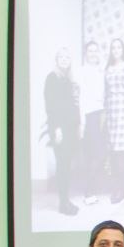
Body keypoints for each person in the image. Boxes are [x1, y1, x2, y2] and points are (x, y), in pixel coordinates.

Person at [43, 48, 80, 215]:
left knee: (67, 164)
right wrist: (56, 128)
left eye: (67, 57)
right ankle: (63, 203)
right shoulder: (52, 78)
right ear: (56, 60)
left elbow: (72, 104)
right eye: (61, 57)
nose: (65, 59)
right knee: (62, 164)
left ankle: (66, 201)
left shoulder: (68, 79)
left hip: (71, 128)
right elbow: (51, 106)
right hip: (60, 129)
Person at [104, 38, 124, 204]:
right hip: (111, 113)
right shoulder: (108, 68)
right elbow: (107, 93)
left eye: (118, 47)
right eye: (113, 47)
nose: (116, 50)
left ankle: (122, 187)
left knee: (121, 152)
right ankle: (116, 185)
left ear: (122, 49)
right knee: (113, 153)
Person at [77, 40, 105, 205]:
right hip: (87, 116)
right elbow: (80, 98)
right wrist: (82, 122)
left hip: (99, 115)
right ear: (86, 53)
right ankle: (88, 193)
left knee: (99, 153)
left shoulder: (100, 71)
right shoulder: (81, 72)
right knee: (91, 155)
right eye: (90, 51)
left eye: (96, 50)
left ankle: (92, 189)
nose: (93, 53)